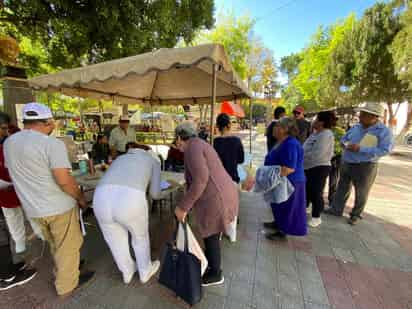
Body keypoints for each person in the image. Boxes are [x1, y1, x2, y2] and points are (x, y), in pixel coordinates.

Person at [4, 102, 94, 297]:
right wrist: (80, 197)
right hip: (58, 207)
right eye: (52, 122)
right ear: (46, 122)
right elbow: (63, 180)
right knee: (68, 248)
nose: (53, 126)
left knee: (56, 244)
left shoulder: (9, 142)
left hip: (33, 209)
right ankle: (66, 287)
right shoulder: (51, 144)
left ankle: (64, 272)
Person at [173, 122, 238, 287]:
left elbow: (201, 179)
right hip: (222, 192)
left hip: (216, 197)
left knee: (211, 234)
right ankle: (211, 266)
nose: (176, 144)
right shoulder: (199, 144)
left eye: (176, 140)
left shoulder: (192, 148)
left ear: (180, 138)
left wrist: (183, 207)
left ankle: (215, 273)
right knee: (212, 233)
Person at [93, 142, 161, 285]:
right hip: (130, 199)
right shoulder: (153, 160)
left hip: (100, 198)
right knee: (140, 237)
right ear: (148, 151)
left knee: (115, 240)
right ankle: (145, 271)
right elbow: (155, 194)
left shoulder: (119, 158)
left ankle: (127, 271)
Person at [325, 102, 393, 225]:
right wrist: (344, 143)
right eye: (361, 113)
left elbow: (385, 150)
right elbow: (345, 138)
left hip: (365, 165)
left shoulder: (384, 131)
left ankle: (355, 215)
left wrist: (361, 149)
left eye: (363, 114)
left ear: (374, 117)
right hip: (347, 161)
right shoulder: (356, 127)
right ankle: (336, 209)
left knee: (361, 191)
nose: (360, 116)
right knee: (342, 187)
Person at [0, 112, 43, 262]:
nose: (5, 131)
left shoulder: (13, 133)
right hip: (4, 186)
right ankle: (20, 243)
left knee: (32, 210)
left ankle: (41, 234)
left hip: (21, 182)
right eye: (2, 128)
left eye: (5, 128)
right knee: (12, 216)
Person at [263, 117, 307, 239]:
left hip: (290, 181)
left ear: (285, 129)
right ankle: (278, 223)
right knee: (278, 204)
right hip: (281, 179)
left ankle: (283, 231)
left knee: (286, 207)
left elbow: (289, 168)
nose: (274, 128)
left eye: (277, 126)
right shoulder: (281, 141)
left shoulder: (291, 144)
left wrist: (271, 177)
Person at [303, 111, 335, 227]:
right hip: (308, 166)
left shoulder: (326, 135)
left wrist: (303, 157)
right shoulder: (315, 133)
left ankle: (317, 216)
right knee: (308, 189)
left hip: (319, 167)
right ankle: (306, 207)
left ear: (321, 122)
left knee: (316, 191)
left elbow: (318, 154)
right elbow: (305, 148)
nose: (313, 121)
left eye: (315, 120)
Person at [213, 113, 245, 183]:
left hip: (219, 180)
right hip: (233, 178)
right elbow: (241, 160)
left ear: (218, 126)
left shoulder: (214, 142)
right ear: (229, 125)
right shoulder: (237, 140)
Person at [328, 112, 346, 205]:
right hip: (329, 157)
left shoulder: (339, 131)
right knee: (332, 178)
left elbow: (343, 144)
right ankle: (329, 199)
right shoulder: (324, 130)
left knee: (333, 179)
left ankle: (331, 199)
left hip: (335, 157)